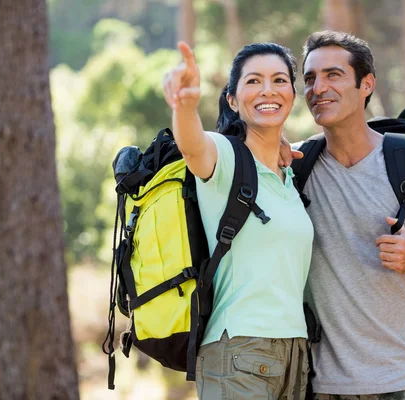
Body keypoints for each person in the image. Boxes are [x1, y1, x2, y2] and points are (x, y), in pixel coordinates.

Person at [283, 31, 405, 400]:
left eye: (333, 75)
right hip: (318, 386)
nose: (318, 88)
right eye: (309, 78)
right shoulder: (294, 165)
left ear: (366, 84)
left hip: (402, 382)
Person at [162, 41, 313, 400]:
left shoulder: (288, 174)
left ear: (292, 94)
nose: (268, 90)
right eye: (253, 81)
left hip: (295, 354)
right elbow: (193, 147)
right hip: (239, 350)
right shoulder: (225, 157)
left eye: (279, 80)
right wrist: (185, 104)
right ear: (232, 99)